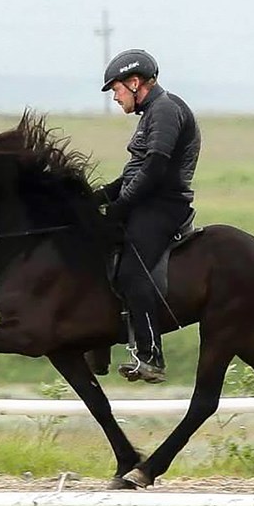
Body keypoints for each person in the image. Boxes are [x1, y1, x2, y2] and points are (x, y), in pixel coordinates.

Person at [94, 48, 201, 384]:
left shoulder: (166, 110)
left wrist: (121, 205)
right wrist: (94, 198)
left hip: (164, 207)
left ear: (135, 82)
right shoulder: (152, 114)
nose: (115, 97)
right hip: (147, 201)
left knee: (131, 270)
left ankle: (150, 355)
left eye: (116, 90)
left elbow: (155, 167)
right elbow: (132, 174)